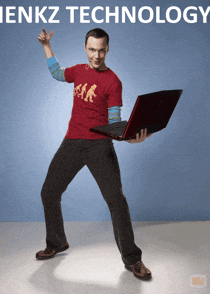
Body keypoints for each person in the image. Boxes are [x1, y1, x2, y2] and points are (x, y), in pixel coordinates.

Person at [36, 28, 152, 281]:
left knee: (116, 201)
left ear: (107, 49)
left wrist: (129, 139)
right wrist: (46, 45)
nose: (96, 55)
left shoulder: (113, 81)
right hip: (72, 142)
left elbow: (113, 121)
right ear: (85, 48)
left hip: (99, 146)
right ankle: (57, 241)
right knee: (49, 192)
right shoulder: (78, 71)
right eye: (92, 49)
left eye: (101, 50)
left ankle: (133, 259)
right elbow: (57, 73)